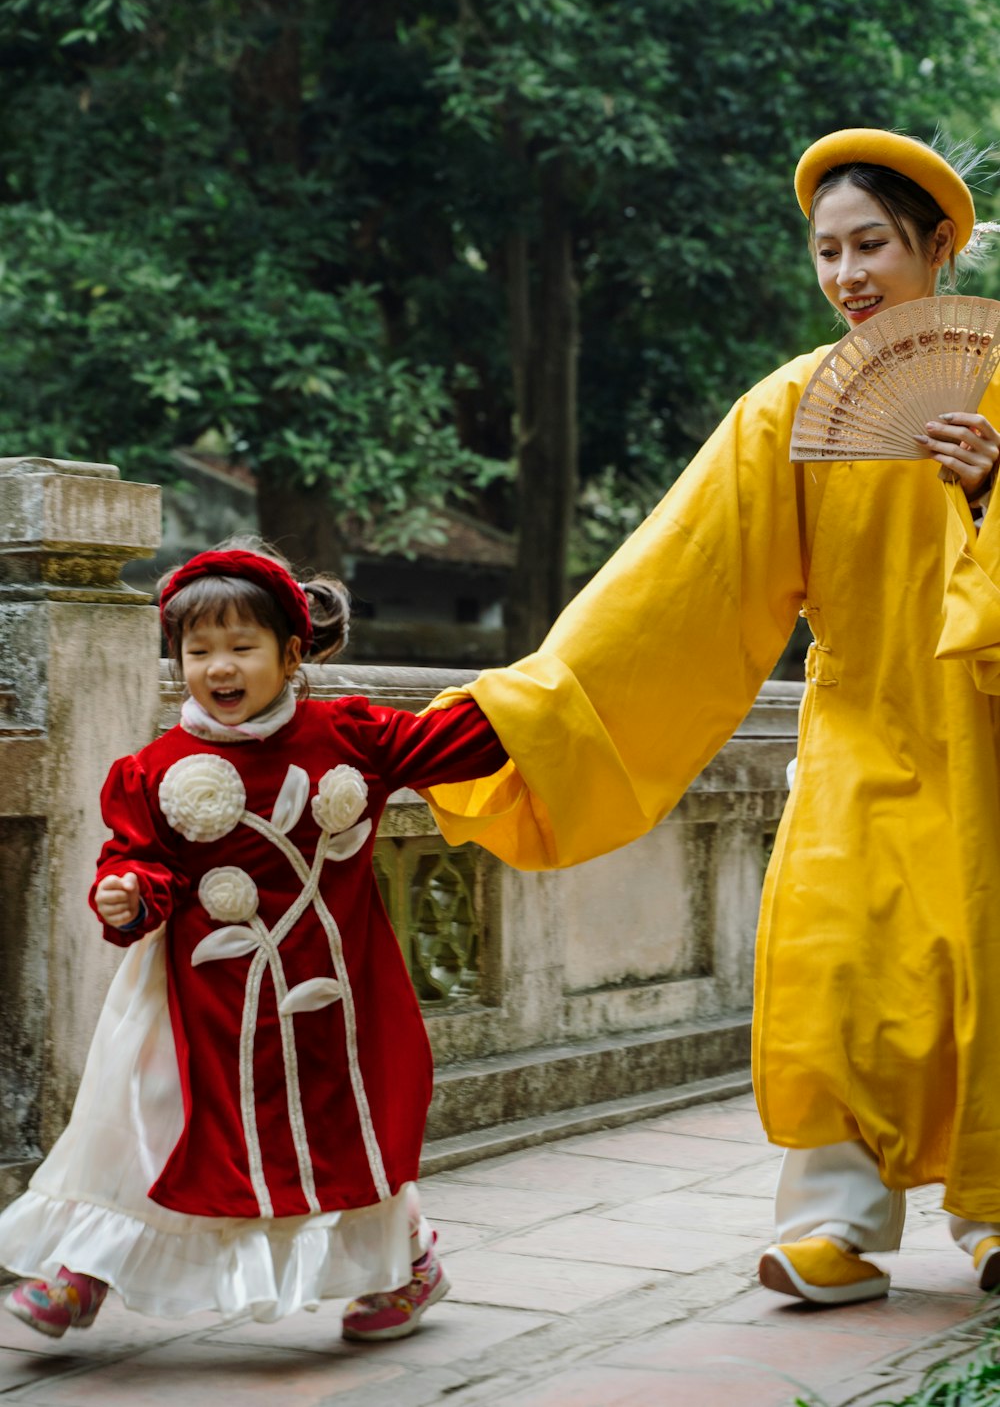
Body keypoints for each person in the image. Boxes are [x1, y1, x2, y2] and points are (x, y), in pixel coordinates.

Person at [421, 128, 1000, 1305]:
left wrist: (988, 494)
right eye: (826, 252)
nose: (847, 276)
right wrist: (519, 716)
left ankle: (991, 1215)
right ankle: (837, 1223)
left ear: (939, 245)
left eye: (872, 245)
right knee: (837, 964)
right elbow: (674, 587)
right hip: (858, 732)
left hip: (986, 736)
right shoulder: (791, 407)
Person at [0, 543, 506, 1341]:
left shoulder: (352, 737)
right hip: (194, 1002)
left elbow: (466, 741)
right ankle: (81, 1273)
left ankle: (411, 1266)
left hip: (335, 997)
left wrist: (558, 694)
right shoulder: (154, 770)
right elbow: (141, 862)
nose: (218, 667)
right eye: (197, 651)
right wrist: (127, 891)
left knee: (350, 1133)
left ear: (292, 652)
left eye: (241, 647)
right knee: (144, 1118)